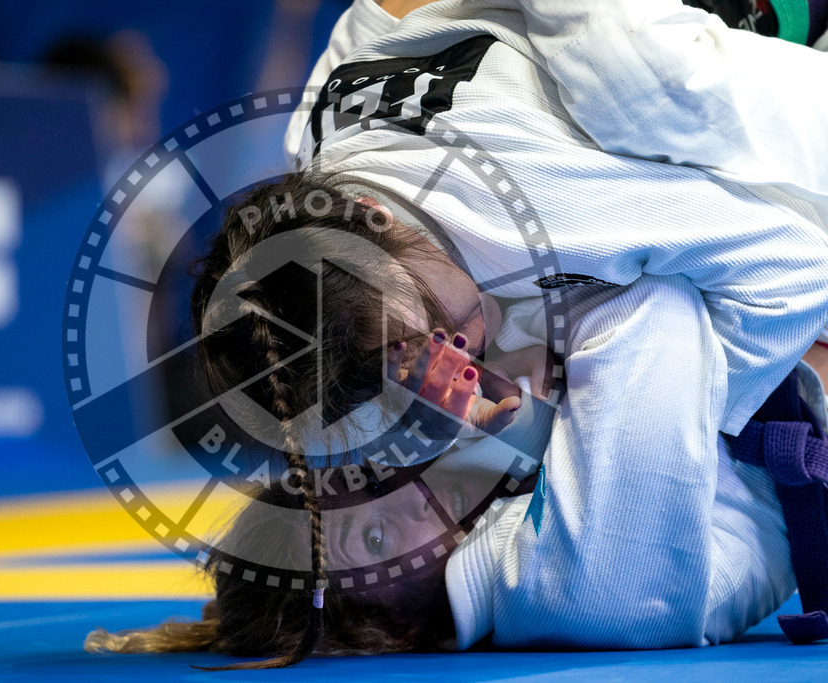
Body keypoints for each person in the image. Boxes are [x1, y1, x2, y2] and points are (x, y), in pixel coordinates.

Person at [86, 0, 828, 668]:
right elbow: (768, 275)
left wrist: (596, 395)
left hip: (681, 94)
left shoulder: (536, 206)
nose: (455, 348)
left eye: (429, 334)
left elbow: (366, 27)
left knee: (631, 72)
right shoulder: (541, 557)